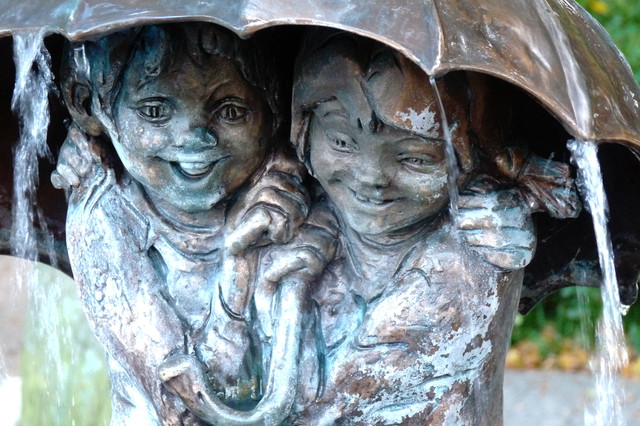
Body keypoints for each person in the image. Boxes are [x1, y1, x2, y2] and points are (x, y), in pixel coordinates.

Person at [283, 29, 581, 424]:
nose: (372, 177)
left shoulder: (474, 252)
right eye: (341, 141)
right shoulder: (287, 224)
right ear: (303, 131)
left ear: (470, 163)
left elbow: (335, 403)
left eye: (415, 159)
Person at [55, 23, 329, 425]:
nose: (196, 138)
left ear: (274, 114)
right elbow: (182, 408)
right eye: (154, 111)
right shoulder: (103, 218)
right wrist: (237, 270)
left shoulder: (294, 180)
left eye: (231, 111)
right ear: (88, 106)